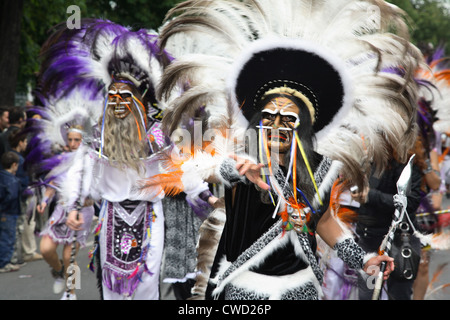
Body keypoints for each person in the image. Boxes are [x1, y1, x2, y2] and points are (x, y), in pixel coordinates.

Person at [151, 0, 422, 300]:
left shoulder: (320, 166)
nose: (277, 124)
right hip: (243, 288)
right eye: (268, 117)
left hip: (301, 288)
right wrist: (236, 169)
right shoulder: (242, 150)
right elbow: (201, 167)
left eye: (288, 118)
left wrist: (364, 259)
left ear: (303, 125)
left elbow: (324, 221)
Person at [37, 19, 208, 300]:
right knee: (112, 285)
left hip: (150, 217)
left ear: (139, 102)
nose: (116, 102)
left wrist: (205, 196)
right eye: (112, 96)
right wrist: (74, 206)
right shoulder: (97, 137)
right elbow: (81, 172)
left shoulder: (158, 136)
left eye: (124, 96)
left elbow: (182, 168)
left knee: (146, 285)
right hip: (112, 215)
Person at [36, 125, 95, 300]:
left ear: (83, 141)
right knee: (46, 250)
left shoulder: (91, 161)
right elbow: (53, 184)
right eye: (70, 140)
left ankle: (71, 293)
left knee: (70, 256)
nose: (72, 143)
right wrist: (44, 201)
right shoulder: (62, 159)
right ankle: (59, 270)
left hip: (82, 213)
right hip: (61, 210)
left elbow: (96, 192)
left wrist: (85, 197)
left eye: (77, 140)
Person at [0, 152, 24, 273]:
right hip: (9, 212)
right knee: (8, 238)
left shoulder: (2, 176)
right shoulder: (12, 180)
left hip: (3, 211)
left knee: (4, 237)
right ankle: (4, 262)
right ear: (14, 165)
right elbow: (12, 196)